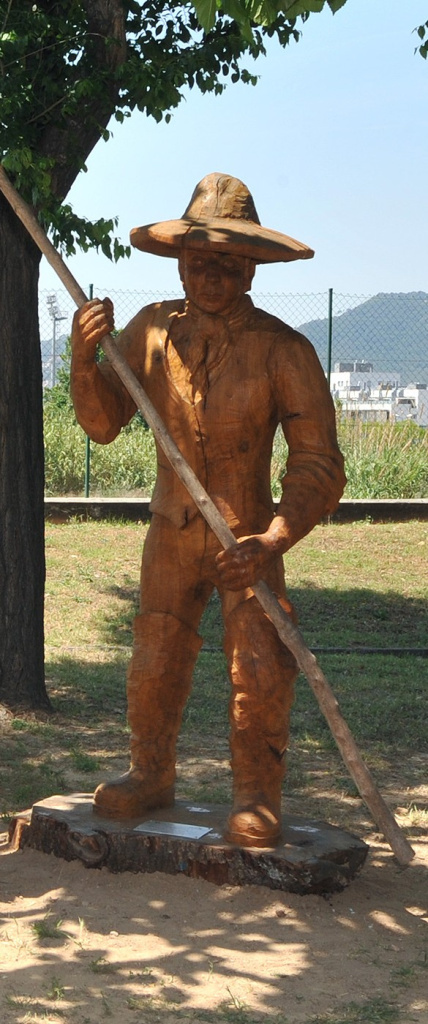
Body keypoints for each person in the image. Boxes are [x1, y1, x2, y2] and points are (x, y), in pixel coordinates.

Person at [71, 172, 346, 848]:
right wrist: (84, 358)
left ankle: (257, 794)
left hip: (247, 532)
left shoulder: (285, 350)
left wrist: (274, 537)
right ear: (181, 262)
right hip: (171, 528)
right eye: (200, 261)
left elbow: (318, 463)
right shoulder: (150, 331)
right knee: (155, 654)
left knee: (258, 662)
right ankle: (149, 772)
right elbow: (103, 422)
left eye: (228, 262)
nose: (213, 275)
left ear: (251, 267)